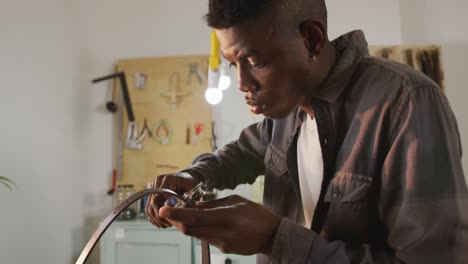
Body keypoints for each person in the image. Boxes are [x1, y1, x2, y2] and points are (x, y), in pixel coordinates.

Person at [146, 0, 468, 263]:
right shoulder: (286, 110)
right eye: (233, 64)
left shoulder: (407, 103)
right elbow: (242, 153)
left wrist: (274, 239)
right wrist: (196, 176)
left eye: (255, 61)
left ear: (311, 39)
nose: (243, 84)